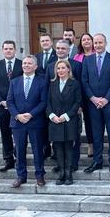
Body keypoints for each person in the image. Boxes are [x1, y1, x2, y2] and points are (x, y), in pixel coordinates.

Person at [7, 55, 47, 188]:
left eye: (29, 63)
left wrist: (30, 114)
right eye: (24, 63)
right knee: (19, 150)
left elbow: (43, 102)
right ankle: (21, 176)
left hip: (35, 121)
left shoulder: (41, 81)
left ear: (35, 66)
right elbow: (10, 101)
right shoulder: (14, 81)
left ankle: (39, 175)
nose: (26, 65)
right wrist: (17, 115)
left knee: (37, 150)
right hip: (18, 123)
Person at [82, 33, 110, 173]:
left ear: (105, 43)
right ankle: (97, 161)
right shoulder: (87, 60)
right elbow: (84, 82)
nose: (97, 45)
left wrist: (106, 99)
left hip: (109, 103)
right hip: (93, 104)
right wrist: (93, 98)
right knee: (97, 134)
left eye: (100, 42)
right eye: (95, 43)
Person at [45, 40, 82, 172]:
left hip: (72, 110)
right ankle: (60, 164)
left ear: (68, 50)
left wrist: (79, 106)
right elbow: (47, 89)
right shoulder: (50, 66)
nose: (60, 50)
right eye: (58, 48)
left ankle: (73, 164)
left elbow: (80, 86)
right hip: (55, 111)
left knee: (73, 138)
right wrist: (51, 113)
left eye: (63, 48)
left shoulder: (76, 65)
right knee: (58, 141)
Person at [0, 40, 23, 172]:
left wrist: (14, 103)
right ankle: (8, 159)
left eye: (11, 48)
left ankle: (19, 157)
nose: (8, 51)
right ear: (2, 50)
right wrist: (2, 102)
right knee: (5, 134)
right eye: (6, 49)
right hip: (1, 107)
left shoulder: (22, 64)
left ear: (15, 50)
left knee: (18, 134)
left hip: (18, 107)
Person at [73, 33, 95, 157]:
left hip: (95, 93)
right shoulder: (77, 57)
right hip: (82, 94)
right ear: (81, 42)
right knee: (87, 121)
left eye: (88, 39)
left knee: (96, 121)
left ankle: (97, 143)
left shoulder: (96, 54)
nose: (86, 41)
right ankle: (90, 144)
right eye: (84, 40)